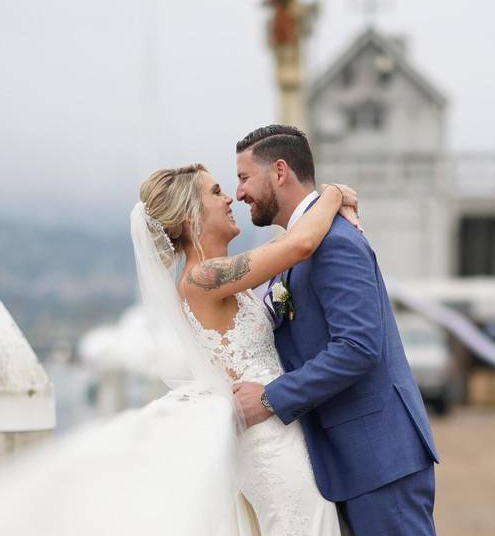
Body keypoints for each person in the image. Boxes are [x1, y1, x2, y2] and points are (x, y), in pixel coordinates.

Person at [231, 125, 439, 536]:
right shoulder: (300, 242)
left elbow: (358, 347)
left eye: (243, 178)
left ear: (279, 171)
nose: (239, 194)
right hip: (347, 459)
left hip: (379, 459)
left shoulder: (335, 241)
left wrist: (271, 399)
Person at [137, 162, 361, 535]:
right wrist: (334, 194)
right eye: (215, 192)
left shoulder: (221, 273)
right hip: (268, 442)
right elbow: (300, 244)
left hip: (280, 425)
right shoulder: (202, 278)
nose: (229, 199)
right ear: (190, 214)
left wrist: (329, 202)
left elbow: (290, 239)